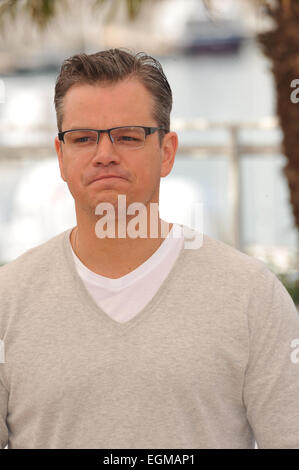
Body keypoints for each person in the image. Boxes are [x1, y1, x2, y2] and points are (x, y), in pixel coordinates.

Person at [0, 48, 299, 450]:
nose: (105, 155)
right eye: (83, 138)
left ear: (167, 152)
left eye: (127, 136)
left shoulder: (251, 297)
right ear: (61, 157)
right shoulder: (8, 299)